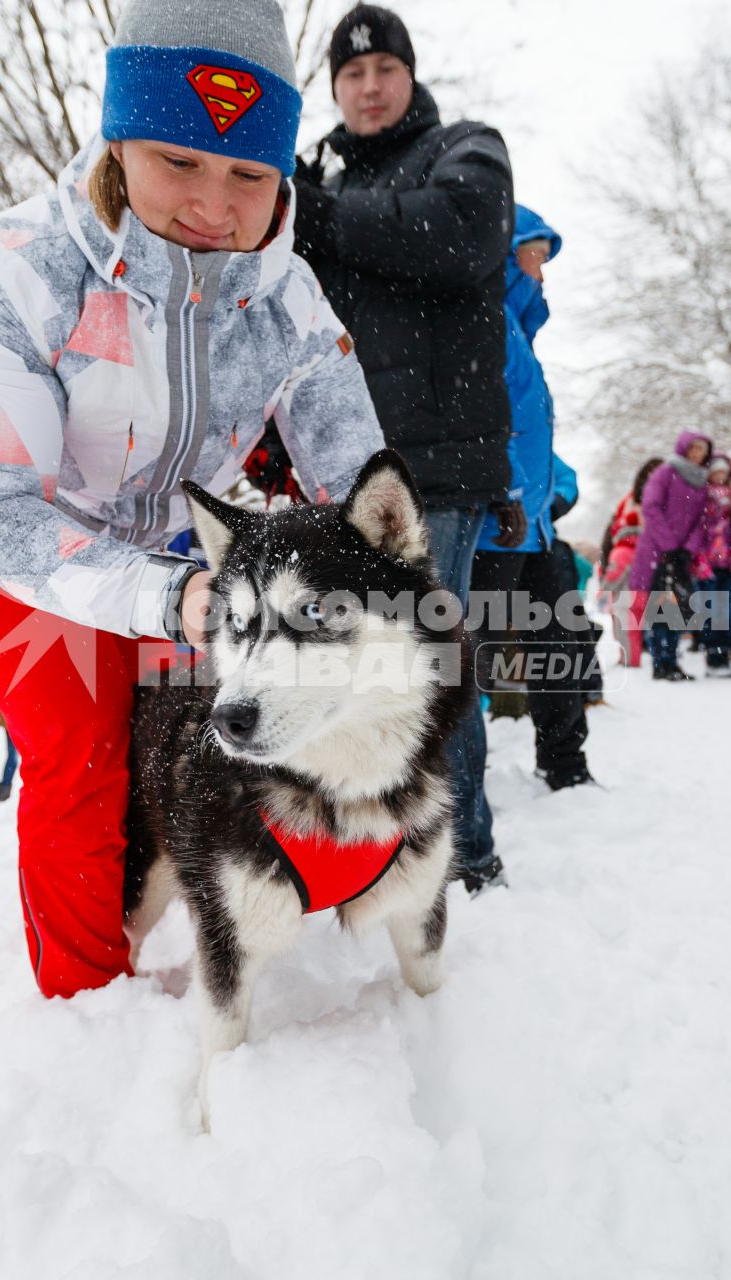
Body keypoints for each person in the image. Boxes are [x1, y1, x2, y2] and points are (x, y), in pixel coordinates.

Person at [0, 0, 385, 996]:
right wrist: (166, 597)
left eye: (250, 173)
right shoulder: (22, 266)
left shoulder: (287, 297)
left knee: (196, 717)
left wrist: (371, 592)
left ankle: (259, 890)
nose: (215, 203)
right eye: (180, 161)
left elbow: (357, 473)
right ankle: (82, 998)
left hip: (159, 541)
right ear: (120, 142)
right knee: (82, 746)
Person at [293, 3, 516, 890]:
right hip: (344, 462)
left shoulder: (467, 149)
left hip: (442, 462)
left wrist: (319, 212)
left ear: (410, 76)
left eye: (384, 69)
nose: (369, 87)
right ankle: (377, 847)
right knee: (356, 662)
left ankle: (466, 857)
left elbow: (461, 233)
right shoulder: (319, 179)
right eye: (351, 75)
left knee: (431, 655)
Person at [467, 207, 591, 800]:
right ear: (507, 252)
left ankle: (566, 764)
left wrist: (557, 490)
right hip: (494, 526)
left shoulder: (519, 332)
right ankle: (459, 794)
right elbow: (482, 421)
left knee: (559, 645)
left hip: (533, 527)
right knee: (471, 659)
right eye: (536, 254)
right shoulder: (484, 321)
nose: (543, 270)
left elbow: (537, 438)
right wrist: (508, 490)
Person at [629, 432, 714, 681]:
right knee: (660, 604)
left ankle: (672, 659)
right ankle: (660, 661)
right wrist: (669, 545)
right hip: (658, 549)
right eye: (694, 448)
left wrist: (687, 549)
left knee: (678, 604)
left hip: (683, 554)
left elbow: (702, 519)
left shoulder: (702, 481)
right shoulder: (666, 472)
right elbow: (651, 507)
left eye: (702, 449)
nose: (698, 454)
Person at [600, 458, 662, 667]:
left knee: (631, 616)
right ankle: (632, 655)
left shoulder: (664, 502)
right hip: (631, 566)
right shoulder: (628, 501)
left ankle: (634, 656)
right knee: (628, 616)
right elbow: (609, 536)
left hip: (650, 566)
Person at [688, 455, 731, 676]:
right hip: (708, 559)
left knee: (728, 610)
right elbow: (698, 527)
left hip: (728, 560)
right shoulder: (701, 495)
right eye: (716, 472)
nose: (720, 476)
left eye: (724, 472)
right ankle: (713, 656)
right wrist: (699, 557)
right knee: (712, 610)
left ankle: (724, 655)